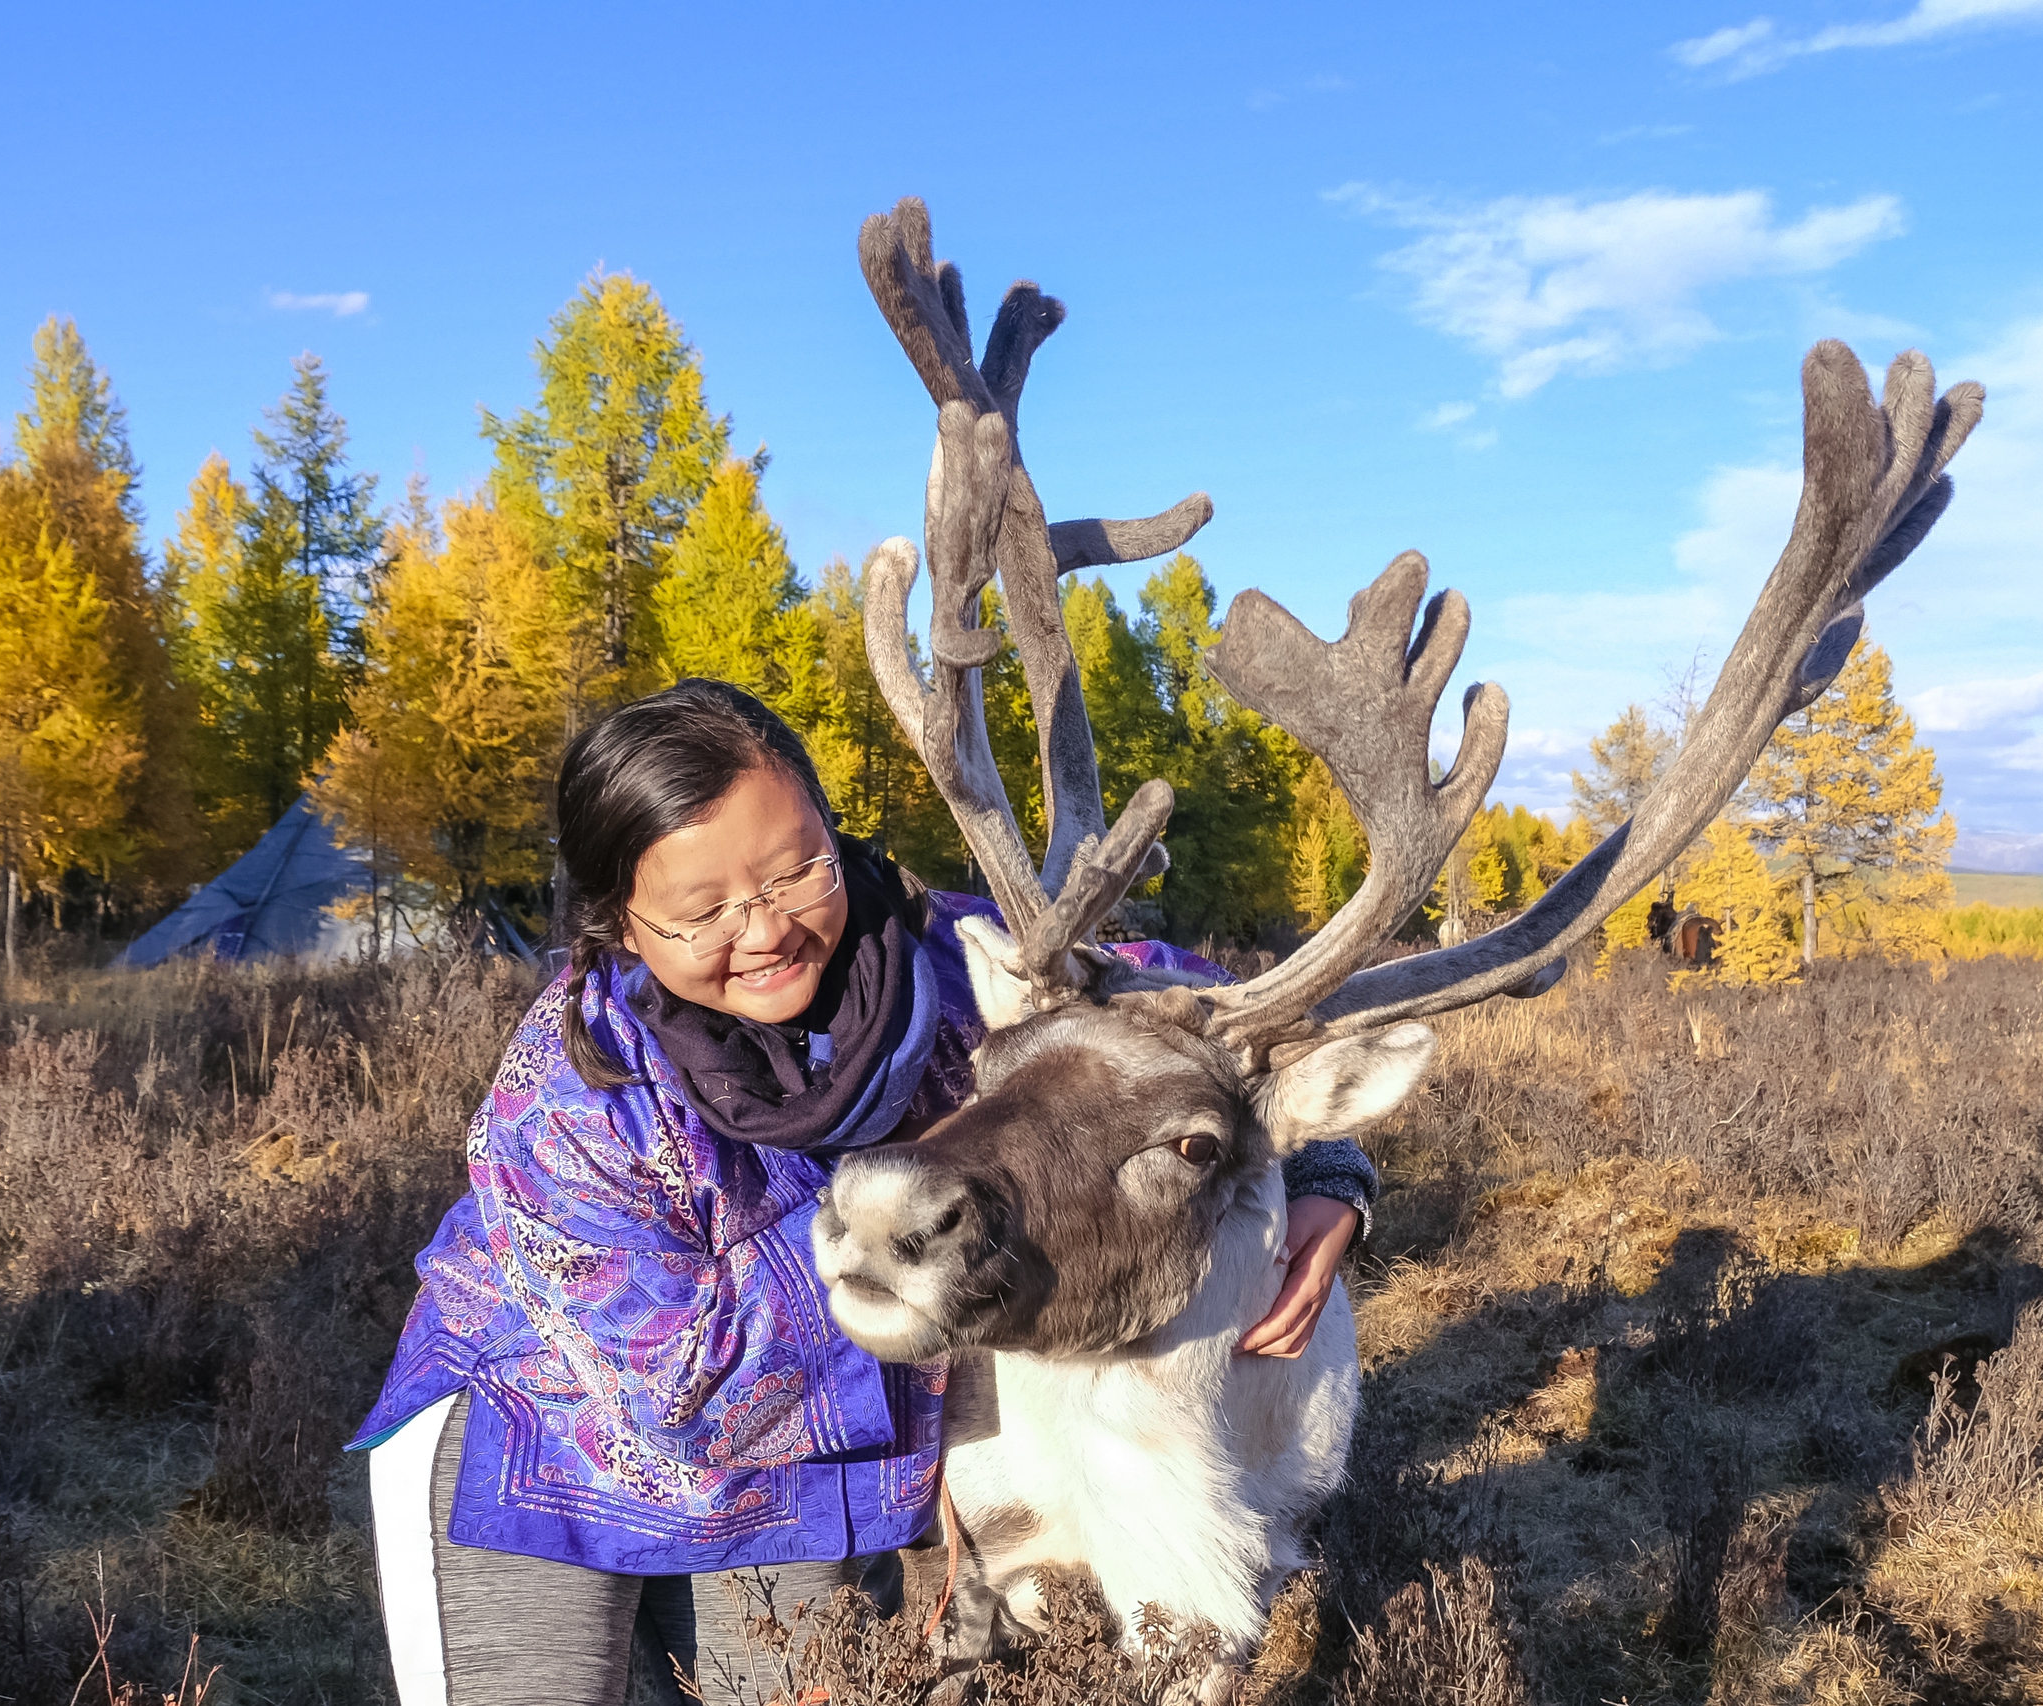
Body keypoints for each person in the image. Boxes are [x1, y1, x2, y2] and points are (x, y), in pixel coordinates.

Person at [352, 680, 1379, 1706]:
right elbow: (686, 1394)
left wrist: (1322, 1166)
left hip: (794, 1479)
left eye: (796, 868)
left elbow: (1200, 1019)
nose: (763, 929)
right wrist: (932, 1239)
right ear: (621, 923)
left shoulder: (953, 956)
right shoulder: (572, 1091)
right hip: (534, 1452)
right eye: (702, 909)